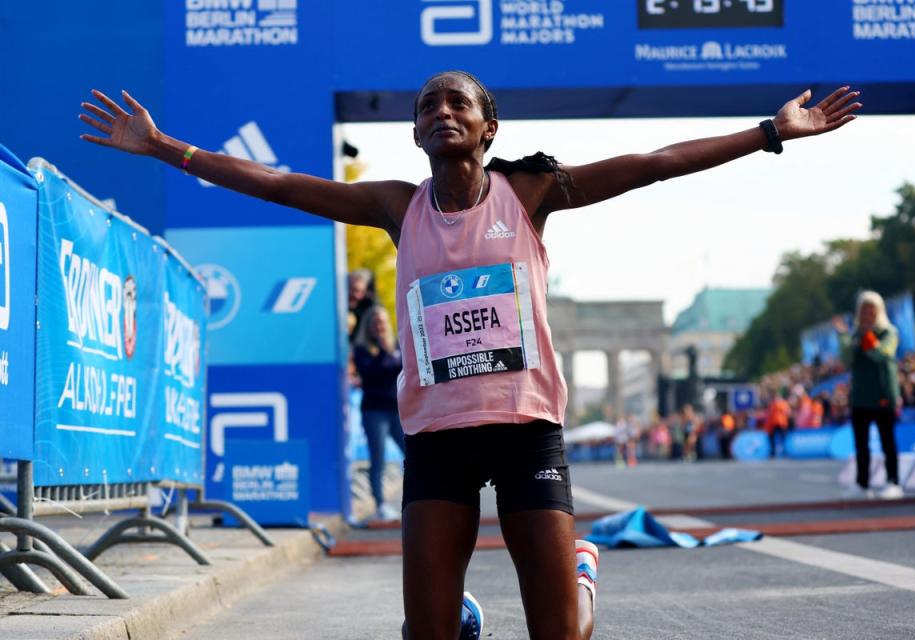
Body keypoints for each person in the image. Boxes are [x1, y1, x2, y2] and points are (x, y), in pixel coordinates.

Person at [80, 74, 860, 640]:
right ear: (417, 133)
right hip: (438, 440)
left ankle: (581, 565)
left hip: (525, 431)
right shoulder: (395, 206)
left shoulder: (529, 193)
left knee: (562, 633)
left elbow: (656, 162)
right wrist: (163, 148)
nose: (441, 110)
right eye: (428, 106)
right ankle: (457, 617)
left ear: (488, 127)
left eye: (458, 102)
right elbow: (280, 186)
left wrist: (768, 132)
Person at [834, 291, 903, 500]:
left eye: (871, 309)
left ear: (878, 311)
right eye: (864, 309)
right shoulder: (854, 336)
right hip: (861, 396)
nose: (867, 314)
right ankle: (862, 484)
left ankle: (893, 482)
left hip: (883, 394)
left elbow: (882, 354)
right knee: (861, 444)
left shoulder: (889, 332)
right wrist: (844, 337)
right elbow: (846, 360)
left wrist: (867, 336)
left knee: (887, 441)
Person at [353, 305, 406, 521]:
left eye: (382, 322)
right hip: (374, 411)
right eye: (375, 322)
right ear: (369, 326)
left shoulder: (397, 344)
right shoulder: (362, 349)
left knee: (412, 453)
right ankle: (380, 504)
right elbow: (374, 371)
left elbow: (402, 367)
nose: (379, 326)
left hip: (398, 409)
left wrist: (389, 352)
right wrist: (385, 352)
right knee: (378, 459)